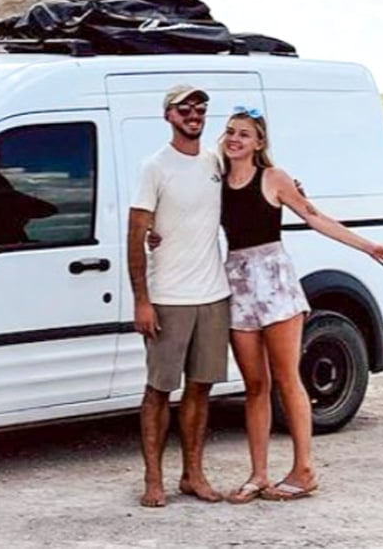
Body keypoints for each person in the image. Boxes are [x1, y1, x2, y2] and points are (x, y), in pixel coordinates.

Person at [217, 106, 383, 503]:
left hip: (274, 280)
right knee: (255, 385)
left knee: (286, 378)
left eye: (244, 134)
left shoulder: (274, 178)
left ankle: (304, 470)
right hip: (240, 283)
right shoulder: (218, 179)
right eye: (230, 132)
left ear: (259, 142)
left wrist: (366, 246)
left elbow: (315, 218)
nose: (234, 139)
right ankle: (258, 475)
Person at [127, 84, 232, 507]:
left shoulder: (215, 162)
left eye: (200, 107)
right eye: (184, 108)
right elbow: (136, 235)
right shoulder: (155, 167)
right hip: (169, 297)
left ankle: (193, 474)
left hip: (213, 295)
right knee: (158, 390)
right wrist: (142, 300)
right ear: (168, 116)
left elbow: (252, 178)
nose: (194, 114)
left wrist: (287, 181)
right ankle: (154, 479)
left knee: (201, 389)